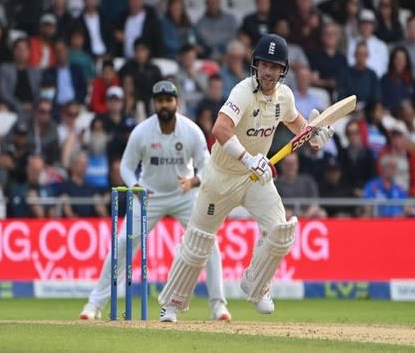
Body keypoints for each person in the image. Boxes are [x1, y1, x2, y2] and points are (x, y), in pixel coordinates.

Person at [157, 34, 334, 322]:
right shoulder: (242, 92)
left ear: (283, 70)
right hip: (223, 176)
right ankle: (172, 304)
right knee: (199, 241)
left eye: (275, 67)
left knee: (281, 231)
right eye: (264, 65)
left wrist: (316, 134)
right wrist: (248, 159)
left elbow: (299, 129)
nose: (268, 72)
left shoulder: (284, 96)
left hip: (256, 178)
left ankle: (256, 285)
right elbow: (220, 129)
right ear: (255, 65)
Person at [79, 80, 230, 322]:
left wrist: (192, 182)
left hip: (185, 195)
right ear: (154, 104)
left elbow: (207, 166)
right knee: (121, 246)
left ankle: (218, 306)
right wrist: (135, 187)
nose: (164, 105)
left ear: (176, 103)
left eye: (169, 100)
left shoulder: (191, 131)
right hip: (149, 196)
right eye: (160, 101)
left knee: (208, 244)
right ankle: (94, 304)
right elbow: (127, 168)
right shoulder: (142, 132)